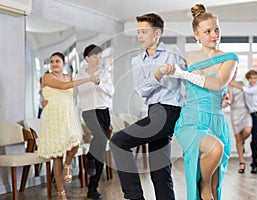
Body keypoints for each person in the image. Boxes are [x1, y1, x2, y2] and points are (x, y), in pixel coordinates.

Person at [109, 13, 186, 200]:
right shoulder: (137, 61)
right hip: (154, 111)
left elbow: (189, 78)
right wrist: (158, 74)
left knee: (118, 142)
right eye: (138, 32)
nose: (140, 36)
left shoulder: (173, 53)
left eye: (144, 31)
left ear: (157, 33)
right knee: (160, 170)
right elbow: (141, 91)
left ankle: (134, 197)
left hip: (169, 111)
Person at [170, 4, 238, 200]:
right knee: (215, 150)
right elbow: (179, 90)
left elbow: (218, 84)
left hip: (216, 120)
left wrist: (225, 101)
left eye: (216, 29)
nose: (214, 34)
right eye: (207, 31)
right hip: (192, 119)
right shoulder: (187, 58)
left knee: (217, 187)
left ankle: (208, 187)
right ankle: (203, 184)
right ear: (196, 35)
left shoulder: (230, 58)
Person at [38, 52, 99, 200]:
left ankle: (67, 164)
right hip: (53, 117)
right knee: (57, 154)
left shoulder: (68, 77)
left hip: (67, 116)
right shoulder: (47, 77)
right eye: (51, 61)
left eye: (57, 61)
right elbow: (64, 87)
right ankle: (61, 193)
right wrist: (89, 79)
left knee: (75, 143)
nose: (54, 64)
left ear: (64, 63)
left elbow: (73, 92)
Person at [75, 44, 114, 200]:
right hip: (89, 112)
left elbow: (111, 92)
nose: (98, 60)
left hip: (103, 111)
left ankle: (93, 188)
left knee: (100, 148)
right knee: (100, 138)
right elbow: (73, 95)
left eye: (100, 57)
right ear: (87, 58)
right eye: (95, 57)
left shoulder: (104, 73)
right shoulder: (79, 75)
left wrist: (99, 83)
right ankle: (90, 158)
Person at [228, 70, 252, 173]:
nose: (233, 75)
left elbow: (247, 94)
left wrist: (235, 85)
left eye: (234, 73)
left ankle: (241, 143)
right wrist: (229, 87)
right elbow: (230, 102)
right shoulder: (226, 85)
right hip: (235, 112)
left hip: (245, 111)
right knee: (238, 138)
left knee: (247, 131)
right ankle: (241, 163)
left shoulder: (241, 83)